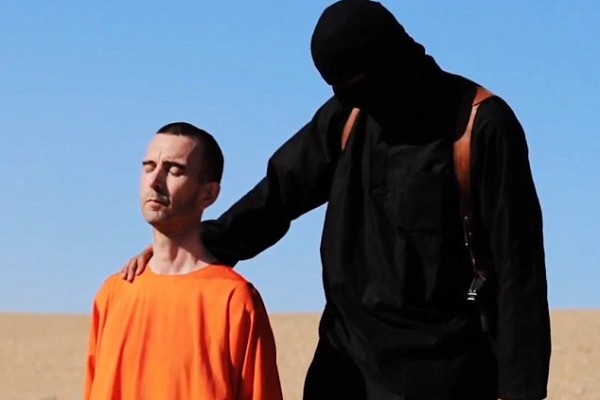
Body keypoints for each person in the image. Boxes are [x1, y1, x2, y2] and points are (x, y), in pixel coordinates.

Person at [122, 1, 551, 399]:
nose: (352, 98)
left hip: (446, 376)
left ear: (391, 60)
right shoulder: (348, 117)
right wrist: (190, 248)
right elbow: (277, 195)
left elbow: (520, 270)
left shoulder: (481, 127)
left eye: (357, 86)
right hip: (343, 367)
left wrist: (520, 392)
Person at [84, 122, 283, 400]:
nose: (155, 181)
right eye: (149, 167)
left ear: (208, 194)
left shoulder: (234, 300)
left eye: (174, 170)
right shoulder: (113, 293)